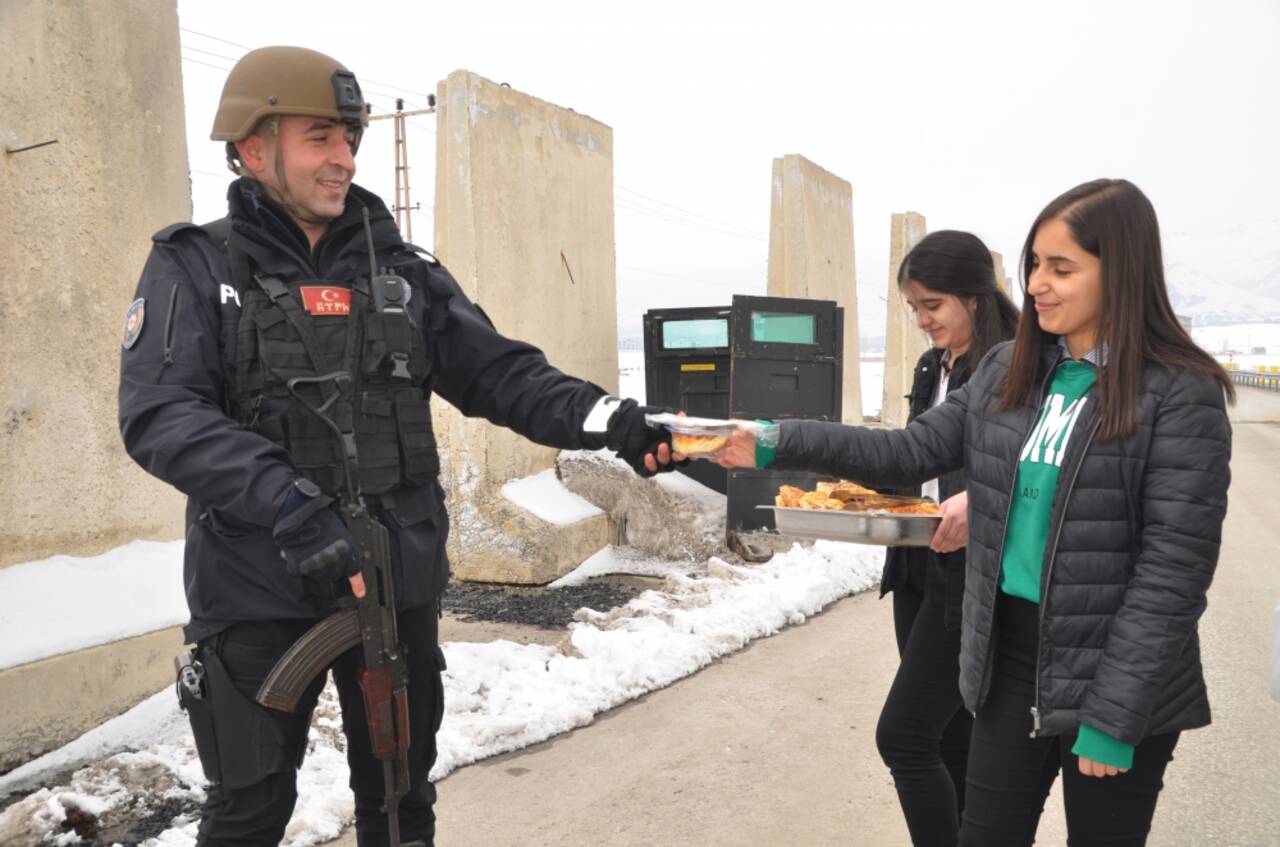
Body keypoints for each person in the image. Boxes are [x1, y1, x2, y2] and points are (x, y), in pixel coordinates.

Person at [118, 46, 679, 847]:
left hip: (395, 580)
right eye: (320, 137)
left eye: (349, 136)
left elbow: (503, 374)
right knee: (248, 812)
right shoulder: (195, 267)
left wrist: (607, 418)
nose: (344, 156)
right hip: (257, 581)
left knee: (400, 802)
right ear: (250, 147)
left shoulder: (403, 270)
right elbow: (161, 413)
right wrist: (287, 502)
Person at [721, 179, 1233, 846]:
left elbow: (1174, 570)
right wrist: (775, 439)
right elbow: (909, 451)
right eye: (1034, 264)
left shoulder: (1178, 394)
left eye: (1062, 267)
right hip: (1009, 661)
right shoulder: (1008, 370)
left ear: (1124, 271)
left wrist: (1114, 714)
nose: (1038, 284)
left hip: (1109, 671)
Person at [874, 231, 1018, 846]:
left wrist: (978, 500)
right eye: (913, 307)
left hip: (970, 571)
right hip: (915, 560)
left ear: (975, 297)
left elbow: (1029, 469)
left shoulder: (1012, 364)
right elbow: (915, 455)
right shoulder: (934, 364)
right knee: (948, 734)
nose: (921, 319)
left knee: (904, 735)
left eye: (932, 304)